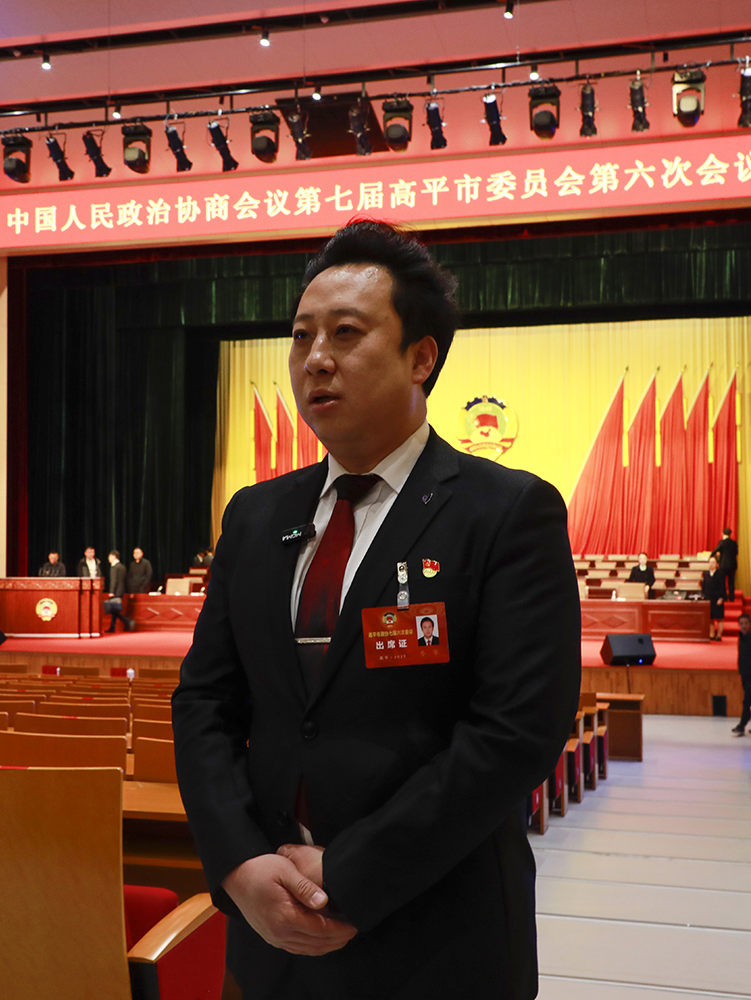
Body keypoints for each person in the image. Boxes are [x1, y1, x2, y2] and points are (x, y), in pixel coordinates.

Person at [172, 221, 580, 1000]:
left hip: (437, 937)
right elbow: (204, 702)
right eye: (301, 337)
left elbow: (515, 734)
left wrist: (352, 874)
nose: (315, 358)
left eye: (346, 333)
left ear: (421, 358)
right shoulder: (255, 515)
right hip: (269, 937)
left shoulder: (506, 512)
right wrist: (239, 865)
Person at [103, 550, 134, 632]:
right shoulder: (122, 566)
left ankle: (128, 621)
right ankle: (112, 627)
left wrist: (111, 591)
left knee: (115, 610)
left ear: (114, 556)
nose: (108, 558)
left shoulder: (114, 567)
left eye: (109, 557)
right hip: (121, 590)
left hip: (116, 591)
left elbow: (114, 580)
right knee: (114, 609)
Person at [701, 555, 727, 641]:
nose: (711, 564)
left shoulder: (720, 574)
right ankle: (711, 634)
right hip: (709, 598)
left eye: (713, 562)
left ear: (716, 564)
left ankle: (719, 635)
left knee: (719, 618)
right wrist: (703, 596)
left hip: (717, 598)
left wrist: (721, 598)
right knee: (710, 617)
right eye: (710, 562)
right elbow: (704, 586)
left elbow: (723, 587)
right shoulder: (706, 574)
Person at [712, 528, 738, 601]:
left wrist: (711, 555)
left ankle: (724, 597)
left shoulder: (722, 542)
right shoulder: (734, 543)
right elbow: (736, 553)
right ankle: (731, 597)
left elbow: (716, 550)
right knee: (731, 582)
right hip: (732, 565)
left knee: (722, 582)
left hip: (723, 565)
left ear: (723, 534)